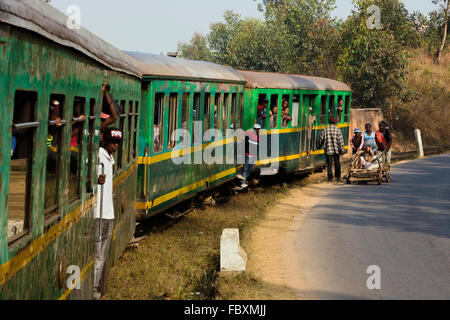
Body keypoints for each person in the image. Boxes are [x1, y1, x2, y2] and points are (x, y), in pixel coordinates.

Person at [94, 127, 122, 300]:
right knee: (98, 255)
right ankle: (94, 290)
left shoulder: (109, 158)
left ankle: (96, 288)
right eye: (113, 141)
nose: (116, 145)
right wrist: (96, 179)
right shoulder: (99, 156)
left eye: (118, 142)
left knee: (102, 256)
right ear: (105, 140)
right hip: (98, 213)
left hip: (108, 212)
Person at [317, 116, 345, 182]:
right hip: (336, 150)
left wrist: (318, 146)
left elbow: (321, 139)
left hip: (328, 150)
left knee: (329, 164)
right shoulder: (338, 130)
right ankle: (338, 176)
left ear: (329, 122)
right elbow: (340, 141)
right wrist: (342, 149)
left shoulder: (325, 129)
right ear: (335, 123)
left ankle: (330, 178)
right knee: (337, 163)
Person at [237, 124, 261, 188]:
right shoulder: (249, 135)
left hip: (253, 156)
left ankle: (243, 179)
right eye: (256, 129)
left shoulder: (258, 137)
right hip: (247, 155)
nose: (257, 130)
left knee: (250, 169)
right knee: (245, 168)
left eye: (258, 129)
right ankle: (242, 182)